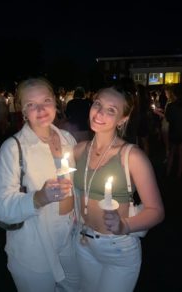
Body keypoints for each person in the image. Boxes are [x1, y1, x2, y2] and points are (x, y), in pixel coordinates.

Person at [0, 77, 80, 292]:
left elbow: (77, 188)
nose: (40, 109)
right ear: (22, 111)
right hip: (33, 249)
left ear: (55, 103)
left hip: (70, 242)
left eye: (46, 100)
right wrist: (39, 198)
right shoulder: (13, 148)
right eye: (31, 104)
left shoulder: (68, 139)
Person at [73, 84, 165, 292]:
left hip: (117, 248)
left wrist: (125, 225)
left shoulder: (132, 156)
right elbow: (75, 191)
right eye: (98, 104)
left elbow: (157, 211)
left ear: (123, 119)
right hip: (83, 242)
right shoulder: (79, 150)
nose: (100, 113)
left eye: (111, 110)